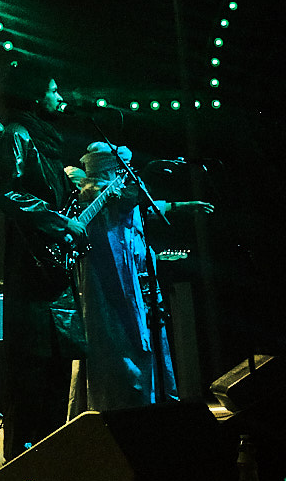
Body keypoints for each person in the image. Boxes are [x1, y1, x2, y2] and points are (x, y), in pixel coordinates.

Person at [69, 142, 213, 412]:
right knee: (117, 345)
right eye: (121, 169)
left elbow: (141, 206)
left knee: (146, 338)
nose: (126, 175)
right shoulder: (92, 193)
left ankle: (149, 401)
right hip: (109, 291)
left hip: (136, 281)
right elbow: (129, 200)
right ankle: (116, 406)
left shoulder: (117, 193)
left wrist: (180, 206)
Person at [0, 64, 87, 461]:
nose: (59, 95)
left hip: (56, 275)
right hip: (31, 269)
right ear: (33, 95)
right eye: (52, 88)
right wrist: (58, 220)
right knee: (30, 377)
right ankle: (21, 470)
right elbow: (9, 194)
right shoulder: (15, 134)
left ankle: (55, 466)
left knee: (57, 377)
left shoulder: (47, 141)